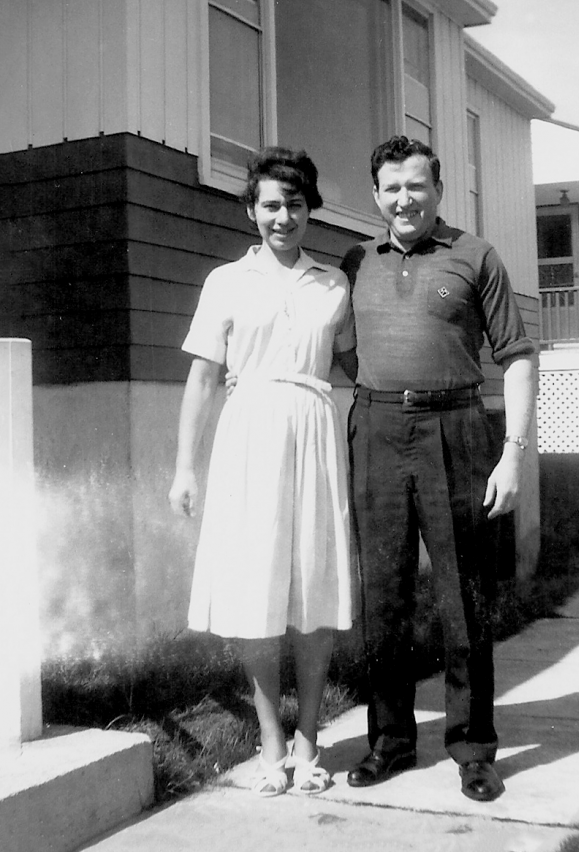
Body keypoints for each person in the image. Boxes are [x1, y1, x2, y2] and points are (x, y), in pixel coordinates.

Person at [340, 135, 537, 802]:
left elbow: (516, 354)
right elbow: (343, 350)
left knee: (463, 596)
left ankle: (473, 748)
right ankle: (390, 743)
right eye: (391, 188)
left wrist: (513, 452)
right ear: (376, 195)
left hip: (456, 427)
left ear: (438, 190)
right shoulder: (355, 260)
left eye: (416, 186)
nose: (404, 199)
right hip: (377, 428)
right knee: (384, 598)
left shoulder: (475, 255)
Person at [169, 146, 355, 798]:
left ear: (311, 210)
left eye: (295, 204)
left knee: (313, 588)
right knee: (256, 588)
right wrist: (184, 469)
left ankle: (309, 742)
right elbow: (201, 379)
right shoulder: (224, 282)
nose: (283, 216)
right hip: (247, 437)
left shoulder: (334, 285)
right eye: (271, 204)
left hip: (314, 433)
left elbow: (360, 369)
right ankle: (270, 739)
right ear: (252, 209)